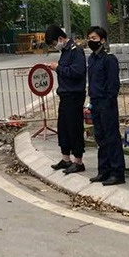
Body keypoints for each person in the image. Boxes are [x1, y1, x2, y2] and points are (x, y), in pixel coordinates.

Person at [46, 24, 87, 175]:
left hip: (74, 95)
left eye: (53, 44)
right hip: (65, 95)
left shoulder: (76, 51)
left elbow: (77, 72)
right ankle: (66, 158)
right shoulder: (65, 52)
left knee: (74, 128)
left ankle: (78, 161)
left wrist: (58, 68)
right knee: (63, 127)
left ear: (60, 38)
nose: (54, 47)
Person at [86, 26, 125, 185]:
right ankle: (104, 170)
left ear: (102, 40)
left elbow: (113, 84)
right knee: (100, 137)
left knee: (111, 137)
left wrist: (108, 101)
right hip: (95, 102)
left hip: (106, 103)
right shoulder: (92, 59)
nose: (91, 41)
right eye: (89, 38)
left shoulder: (109, 59)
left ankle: (117, 172)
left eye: (94, 38)